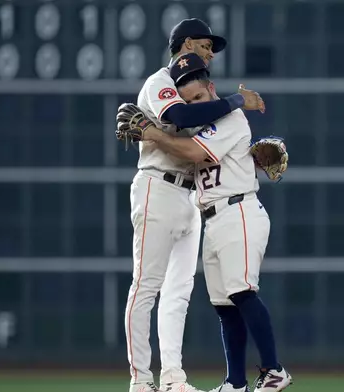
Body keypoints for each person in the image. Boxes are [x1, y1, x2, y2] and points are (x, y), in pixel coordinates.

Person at [116, 52, 292, 392]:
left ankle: (274, 370)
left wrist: (150, 132)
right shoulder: (204, 127)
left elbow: (194, 154)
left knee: (242, 292)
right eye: (188, 101)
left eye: (198, 97)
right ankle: (235, 383)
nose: (194, 104)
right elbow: (191, 152)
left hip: (239, 211)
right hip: (214, 218)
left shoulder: (230, 118)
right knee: (224, 306)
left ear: (212, 88)